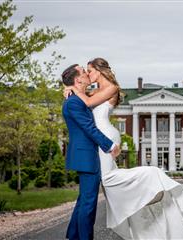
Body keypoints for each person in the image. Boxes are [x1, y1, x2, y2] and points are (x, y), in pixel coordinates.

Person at [64, 58, 183, 240]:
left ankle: (149, 180)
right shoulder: (94, 91)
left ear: (99, 70)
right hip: (99, 140)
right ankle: (76, 235)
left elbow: (87, 103)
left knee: (102, 184)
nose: (88, 74)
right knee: (93, 191)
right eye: (85, 72)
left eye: (90, 70)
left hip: (105, 138)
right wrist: (73, 89)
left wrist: (72, 89)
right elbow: (85, 102)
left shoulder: (110, 87)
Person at [61, 64, 121, 240]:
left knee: (83, 202)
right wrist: (109, 145)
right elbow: (89, 127)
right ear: (78, 79)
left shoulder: (77, 98)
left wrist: (69, 87)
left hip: (87, 155)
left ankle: (74, 237)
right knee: (88, 205)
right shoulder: (74, 102)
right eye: (84, 72)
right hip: (87, 156)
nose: (87, 74)